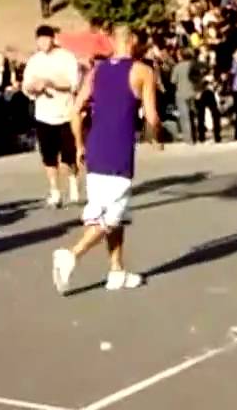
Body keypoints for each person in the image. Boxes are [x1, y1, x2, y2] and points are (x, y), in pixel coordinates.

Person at [51, 26, 159, 294]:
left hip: (95, 146)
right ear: (132, 41)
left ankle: (116, 270)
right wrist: (154, 137)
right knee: (111, 216)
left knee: (111, 212)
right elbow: (152, 117)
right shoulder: (142, 71)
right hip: (118, 149)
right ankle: (71, 255)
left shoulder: (96, 71)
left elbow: (75, 110)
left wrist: (78, 144)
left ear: (112, 42)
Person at [23, 25, 82, 207]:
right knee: (48, 155)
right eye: (39, 39)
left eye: (46, 38)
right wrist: (34, 87)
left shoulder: (67, 57)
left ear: (53, 39)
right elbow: (26, 85)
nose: (43, 42)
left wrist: (53, 84)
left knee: (69, 155)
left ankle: (73, 182)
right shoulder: (34, 61)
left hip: (65, 112)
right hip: (43, 114)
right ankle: (55, 190)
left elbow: (74, 83)